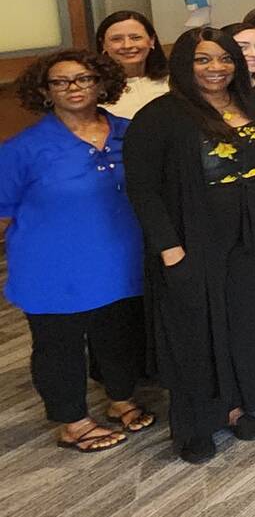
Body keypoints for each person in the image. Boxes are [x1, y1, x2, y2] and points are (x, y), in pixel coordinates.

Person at [125, 26, 255, 462]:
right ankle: (196, 423)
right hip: (193, 238)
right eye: (203, 59)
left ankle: (236, 406)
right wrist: (170, 248)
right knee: (195, 330)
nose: (216, 68)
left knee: (245, 321)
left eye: (224, 58)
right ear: (184, 66)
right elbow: (142, 189)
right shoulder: (161, 116)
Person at [1, 50, 151, 453]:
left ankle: (120, 397)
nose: (74, 88)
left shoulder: (129, 131)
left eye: (84, 79)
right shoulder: (24, 148)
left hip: (119, 256)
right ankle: (72, 420)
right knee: (59, 344)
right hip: (52, 265)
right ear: (45, 92)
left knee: (118, 334)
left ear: (101, 83)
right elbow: (3, 207)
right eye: (61, 82)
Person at [95, 10, 169, 118]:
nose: (127, 45)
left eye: (136, 38)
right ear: (103, 45)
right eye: (116, 39)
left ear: (152, 40)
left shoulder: (174, 81)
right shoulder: (92, 88)